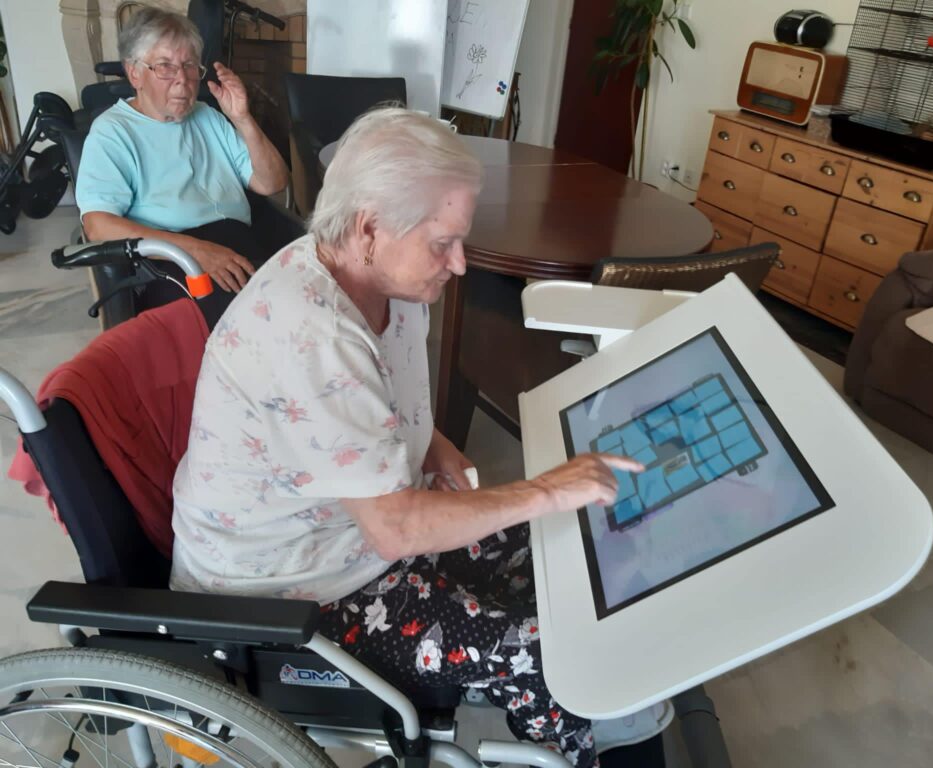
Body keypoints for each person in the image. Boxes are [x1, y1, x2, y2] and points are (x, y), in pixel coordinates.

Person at [170, 107, 644, 767]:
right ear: (369, 228)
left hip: (355, 537)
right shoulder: (311, 331)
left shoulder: (387, 281)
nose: (459, 264)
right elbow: (395, 530)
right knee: (542, 651)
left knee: (556, 546)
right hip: (290, 594)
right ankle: (578, 747)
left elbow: (376, 409)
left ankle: (591, 712)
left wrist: (432, 443)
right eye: (443, 242)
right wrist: (543, 490)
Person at [76, 8, 289, 301]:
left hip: (240, 248)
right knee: (258, 315)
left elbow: (272, 182)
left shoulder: (209, 116)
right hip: (172, 262)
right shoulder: (113, 132)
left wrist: (242, 118)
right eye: (165, 66)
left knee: (305, 300)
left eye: (189, 65)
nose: (182, 79)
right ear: (134, 73)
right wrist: (195, 251)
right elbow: (98, 225)